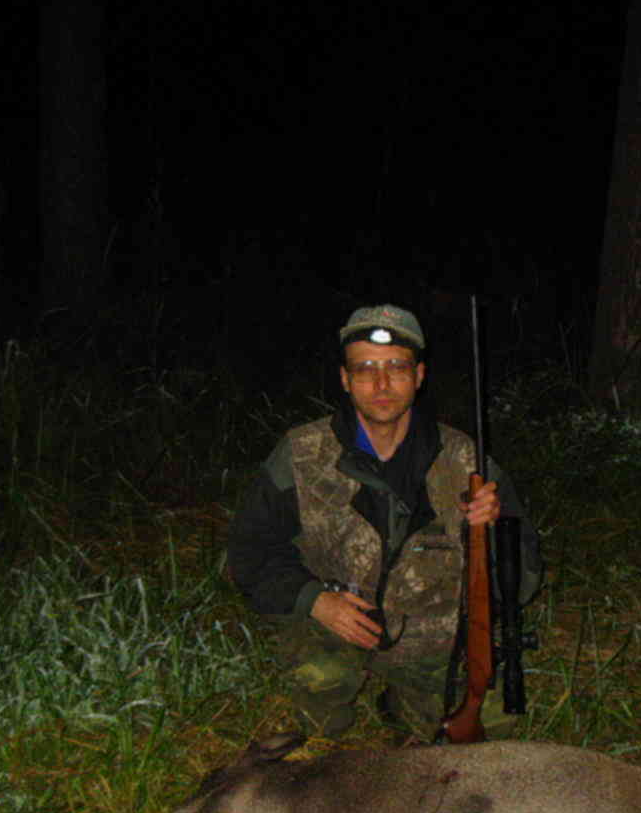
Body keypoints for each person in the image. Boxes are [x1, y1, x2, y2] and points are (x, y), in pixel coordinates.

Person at [227, 302, 542, 739]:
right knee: (322, 709)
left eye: (396, 367)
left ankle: (401, 699)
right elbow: (249, 552)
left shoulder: (467, 460)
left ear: (418, 376)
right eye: (364, 369)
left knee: (492, 729)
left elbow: (524, 577)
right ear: (345, 380)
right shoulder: (300, 453)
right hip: (335, 627)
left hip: (434, 639)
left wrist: (491, 534)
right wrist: (313, 600)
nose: (380, 383)